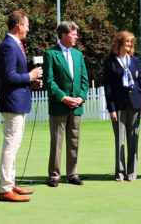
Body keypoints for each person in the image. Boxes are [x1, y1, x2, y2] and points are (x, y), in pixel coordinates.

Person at [0, 10, 43, 202]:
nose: (28, 28)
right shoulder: (8, 45)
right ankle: (5, 188)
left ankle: (11, 183)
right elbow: (8, 77)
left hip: (19, 101)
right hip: (13, 103)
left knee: (15, 145)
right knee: (11, 145)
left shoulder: (16, 44)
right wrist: (30, 76)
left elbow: (15, 76)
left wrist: (29, 82)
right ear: (18, 26)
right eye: (27, 25)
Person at [43, 21, 89, 187]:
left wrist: (81, 98)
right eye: (73, 34)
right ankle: (54, 175)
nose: (76, 37)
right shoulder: (50, 54)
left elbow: (85, 81)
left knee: (74, 141)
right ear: (63, 35)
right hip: (59, 106)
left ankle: (72, 174)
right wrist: (63, 98)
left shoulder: (78, 55)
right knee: (57, 141)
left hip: (76, 106)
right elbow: (49, 81)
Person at [103, 31, 141, 182]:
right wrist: (112, 109)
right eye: (127, 42)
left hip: (135, 103)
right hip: (119, 105)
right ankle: (120, 172)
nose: (129, 45)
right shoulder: (110, 62)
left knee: (133, 139)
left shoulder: (134, 60)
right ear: (119, 43)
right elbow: (108, 88)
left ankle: (132, 172)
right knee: (120, 140)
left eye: (131, 43)